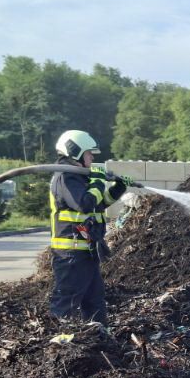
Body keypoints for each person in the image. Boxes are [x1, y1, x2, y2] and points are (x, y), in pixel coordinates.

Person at [49, 130, 132, 323]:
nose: (92, 157)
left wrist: (117, 188)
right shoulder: (66, 177)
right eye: (88, 153)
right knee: (66, 301)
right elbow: (84, 203)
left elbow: (98, 204)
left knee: (94, 301)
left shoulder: (80, 177)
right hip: (71, 254)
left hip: (87, 252)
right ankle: (59, 340)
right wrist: (97, 180)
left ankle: (99, 337)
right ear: (75, 151)